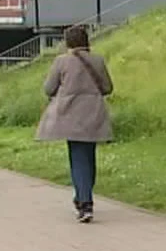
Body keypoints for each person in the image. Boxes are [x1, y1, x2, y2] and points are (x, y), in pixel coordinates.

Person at [36, 25, 113, 222]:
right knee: (89, 155)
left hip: (70, 112)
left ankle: (85, 203)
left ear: (68, 42)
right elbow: (107, 87)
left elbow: (49, 88)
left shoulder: (61, 61)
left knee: (77, 156)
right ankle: (83, 195)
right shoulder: (97, 60)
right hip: (93, 111)